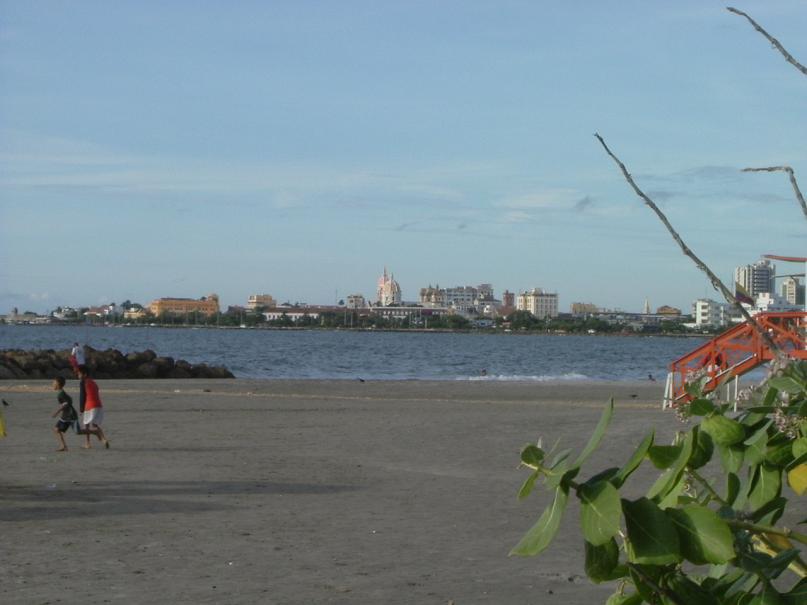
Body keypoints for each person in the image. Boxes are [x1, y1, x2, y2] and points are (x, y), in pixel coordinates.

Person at [77, 365, 110, 449]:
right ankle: (104, 439)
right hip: (99, 405)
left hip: (90, 405)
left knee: (87, 425)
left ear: (84, 375)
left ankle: (88, 443)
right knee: (95, 425)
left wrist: (81, 409)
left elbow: (82, 396)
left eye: (79, 374)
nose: (78, 376)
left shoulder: (83, 382)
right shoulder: (93, 382)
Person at [51, 376, 78, 451]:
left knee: (78, 432)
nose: (52, 384)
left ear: (58, 384)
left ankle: (95, 432)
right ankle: (64, 446)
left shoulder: (61, 394)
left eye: (54, 383)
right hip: (66, 415)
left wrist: (56, 412)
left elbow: (66, 403)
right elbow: (70, 400)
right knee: (56, 429)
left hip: (69, 415)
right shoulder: (61, 393)